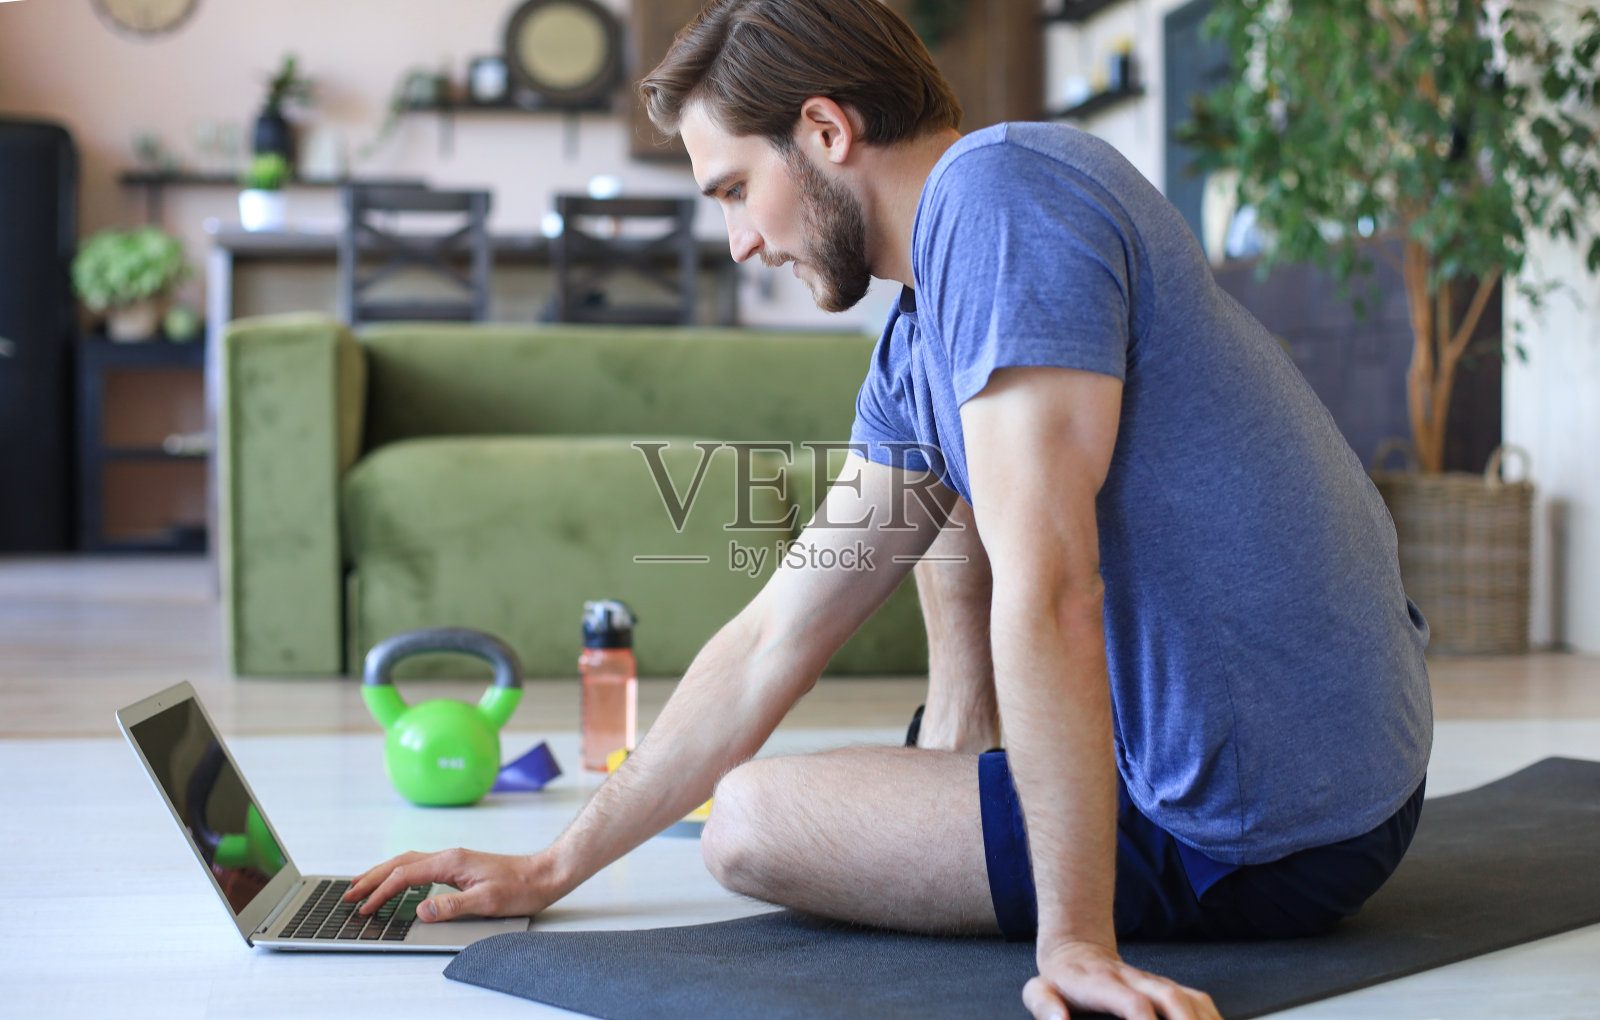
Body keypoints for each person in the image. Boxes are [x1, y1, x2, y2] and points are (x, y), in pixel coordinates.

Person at [347, 2, 1433, 1017]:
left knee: (752, 823)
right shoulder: (918, 340)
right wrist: (550, 866)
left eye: (732, 190)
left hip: (1259, 824)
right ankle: (967, 759)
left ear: (823, 130)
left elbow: (1053, 582)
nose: (739, 241)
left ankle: (1012, 820)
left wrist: (1074, 943)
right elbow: (780, 631)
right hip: (1311, 775)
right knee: (935, 502)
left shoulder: (1001, 199)